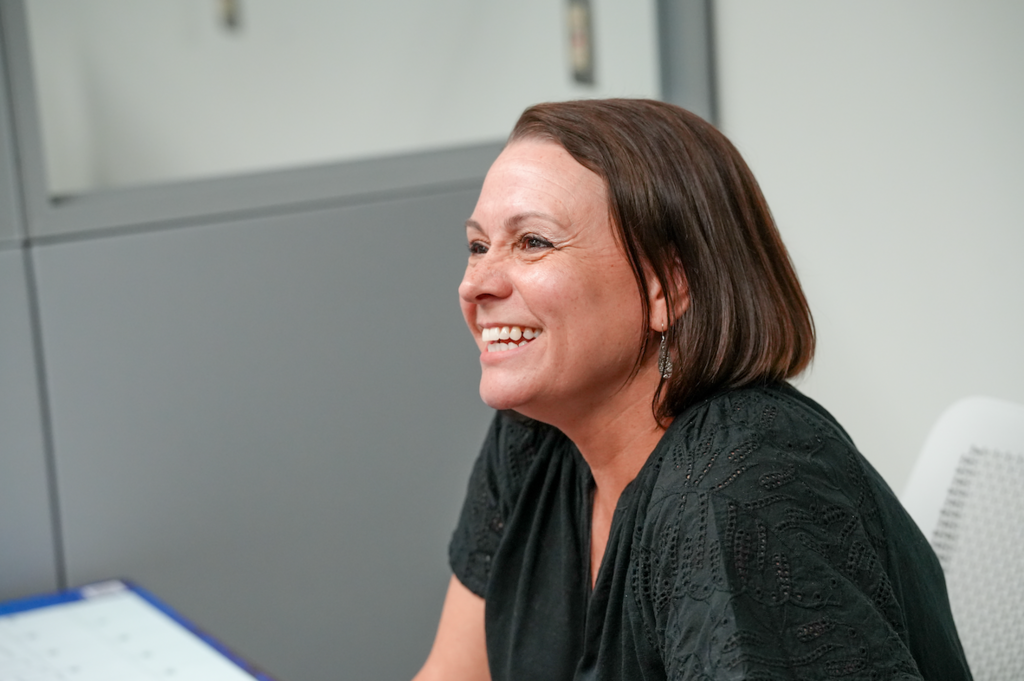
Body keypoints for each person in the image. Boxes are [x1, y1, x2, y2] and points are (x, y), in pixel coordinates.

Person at [413, 99, 971, 681]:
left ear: (667, 287)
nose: (476, 284)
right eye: (478, 246)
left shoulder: (739, 491)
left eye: (532, 242)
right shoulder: (531, 441)